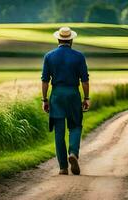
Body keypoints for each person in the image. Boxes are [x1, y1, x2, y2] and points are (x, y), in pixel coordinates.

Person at [41, 27, 90, 175]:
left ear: (58, 39)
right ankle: (73, 153)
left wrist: (44, 99)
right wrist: (86, 98)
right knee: (75, 126)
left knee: (59, 132)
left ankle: (63, 167)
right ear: (71, 40)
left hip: (57, 96)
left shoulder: (49, 56)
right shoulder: (79, 56)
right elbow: (85, 80)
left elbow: (45, 81)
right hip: (73, 94)